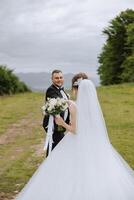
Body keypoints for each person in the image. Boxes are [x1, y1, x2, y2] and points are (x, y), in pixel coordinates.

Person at [15, 74, 134, 200]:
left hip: (77, 141)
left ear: (75, 88)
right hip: (95, 143)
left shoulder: (74, 106)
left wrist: (62, 123)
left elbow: (75, 130)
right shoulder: (93, 108)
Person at [43, 69, 70, 156]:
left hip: (61, 125)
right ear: (52, 79)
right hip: (54, 125)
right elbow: (59, 104)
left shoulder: (61, 90)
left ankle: (51, 166)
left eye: (61, 77)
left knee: (57, 147)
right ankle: (48, 167)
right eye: (56, 78)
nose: (59, 79)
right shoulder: (51, 90)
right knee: (54, 147)